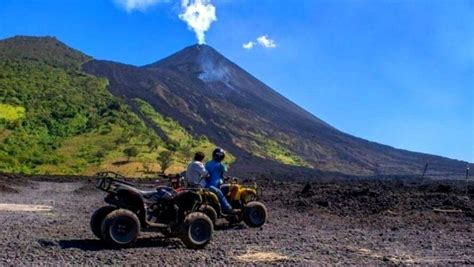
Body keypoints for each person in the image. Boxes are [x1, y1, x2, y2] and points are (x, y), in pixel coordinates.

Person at [205, 147, 239, 214]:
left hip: (208, 185)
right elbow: (223, 172)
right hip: (216, 186)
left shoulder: (208, 163)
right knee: (235, 187)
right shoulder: (221, 165)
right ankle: (229, 207)